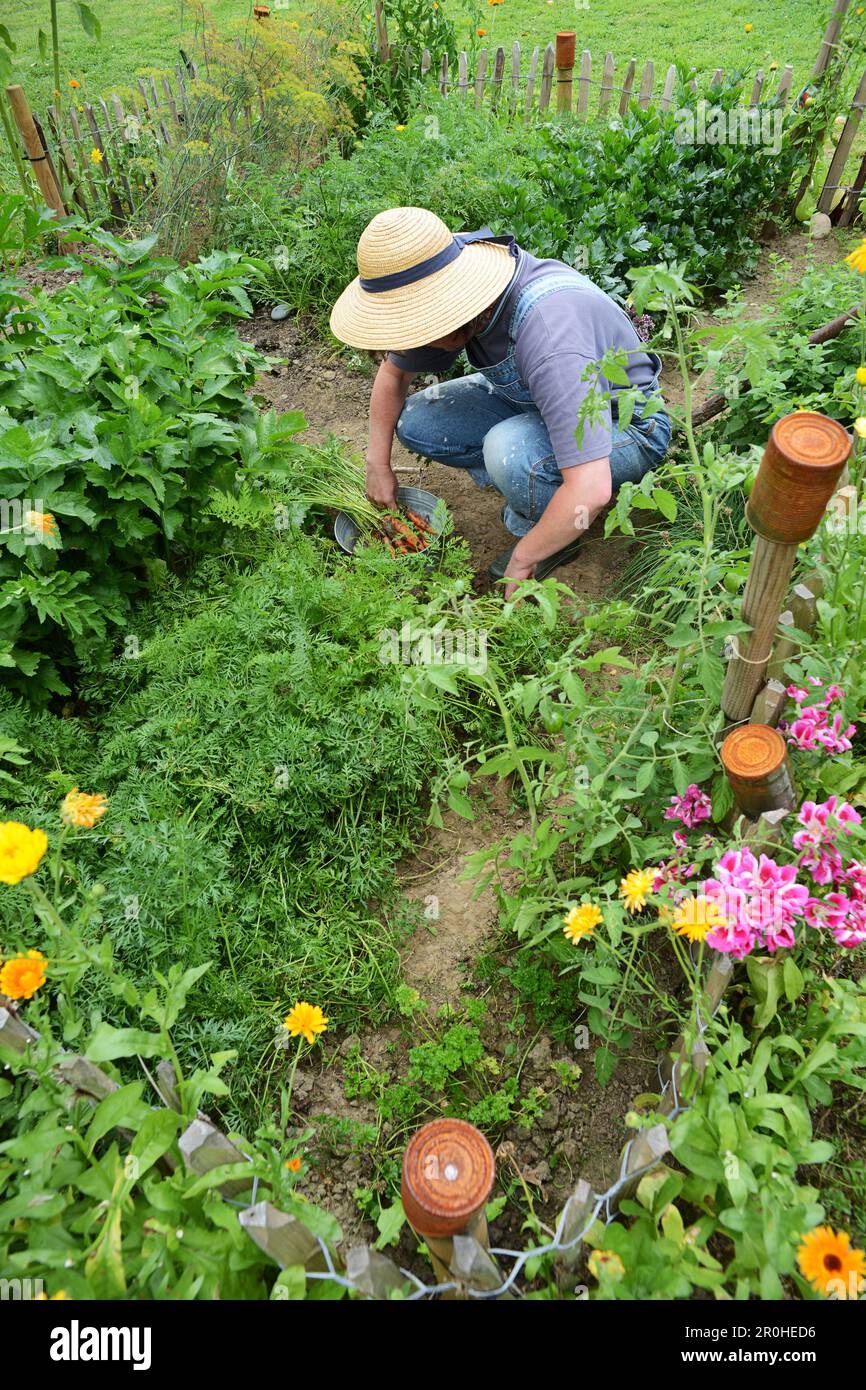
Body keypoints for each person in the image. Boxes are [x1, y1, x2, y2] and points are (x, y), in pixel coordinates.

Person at [330, 206, 671, 595]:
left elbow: (591, 489)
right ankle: (535, 480)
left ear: (452, 312)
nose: (414, 339)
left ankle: (551, 530)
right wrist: (377, 464)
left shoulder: (550, 337)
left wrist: (523, 557)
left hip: (625, 427)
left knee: (508, 451)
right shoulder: (449, 271)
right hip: (541, 401)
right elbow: (394, 373)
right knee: (420, 421)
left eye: (419, 326)